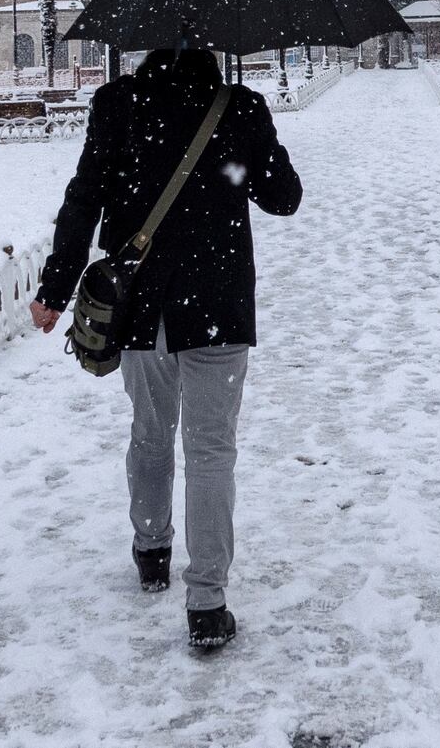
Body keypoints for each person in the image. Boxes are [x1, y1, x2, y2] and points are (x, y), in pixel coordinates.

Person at [30, 47, 301, 652]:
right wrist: (255, 144)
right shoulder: (240, 108)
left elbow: (83, 202)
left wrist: (54, 288)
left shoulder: (118, 104)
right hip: (219, 307)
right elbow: (283, 197)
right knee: (211, 452)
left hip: (141, 303)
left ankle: (152, 549)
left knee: (151, 430)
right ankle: (207, 602)